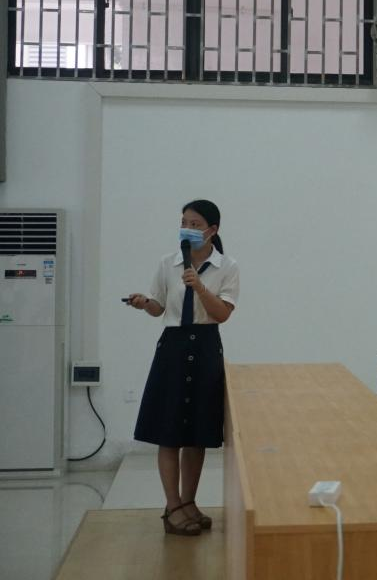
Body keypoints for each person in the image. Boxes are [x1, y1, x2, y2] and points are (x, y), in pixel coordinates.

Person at [127, 200, 239, 537]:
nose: (187, 228)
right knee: (169, 432)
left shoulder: (227, 266)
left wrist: (200, 287)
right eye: (184, 222)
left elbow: (222, 314)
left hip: (205, 348)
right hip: (173, 349)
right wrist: (145, 303)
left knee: (196, 435)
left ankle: (189, 502)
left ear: (212, 230)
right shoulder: (168, 262)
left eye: (195, 223)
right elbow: (159, 307)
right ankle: (172, 506)